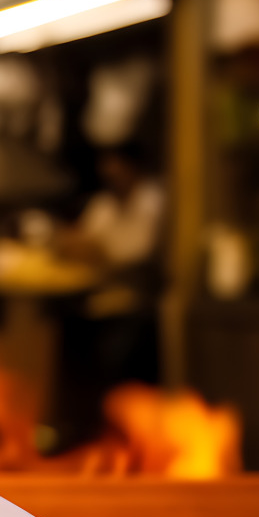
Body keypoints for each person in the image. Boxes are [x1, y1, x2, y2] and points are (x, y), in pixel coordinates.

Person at [55, 147, 165, 446]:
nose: (111, 174)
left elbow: (133, 254)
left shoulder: (152, 201)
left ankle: (116, 432)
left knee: (110, 347)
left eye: (117, 167)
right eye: (106, 168)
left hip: (138, 303)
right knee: (66, 335)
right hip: (98, 301)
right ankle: (81, 432)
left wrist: (97, 251)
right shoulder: (104, 203)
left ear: (133, 168)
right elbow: (76, 244)